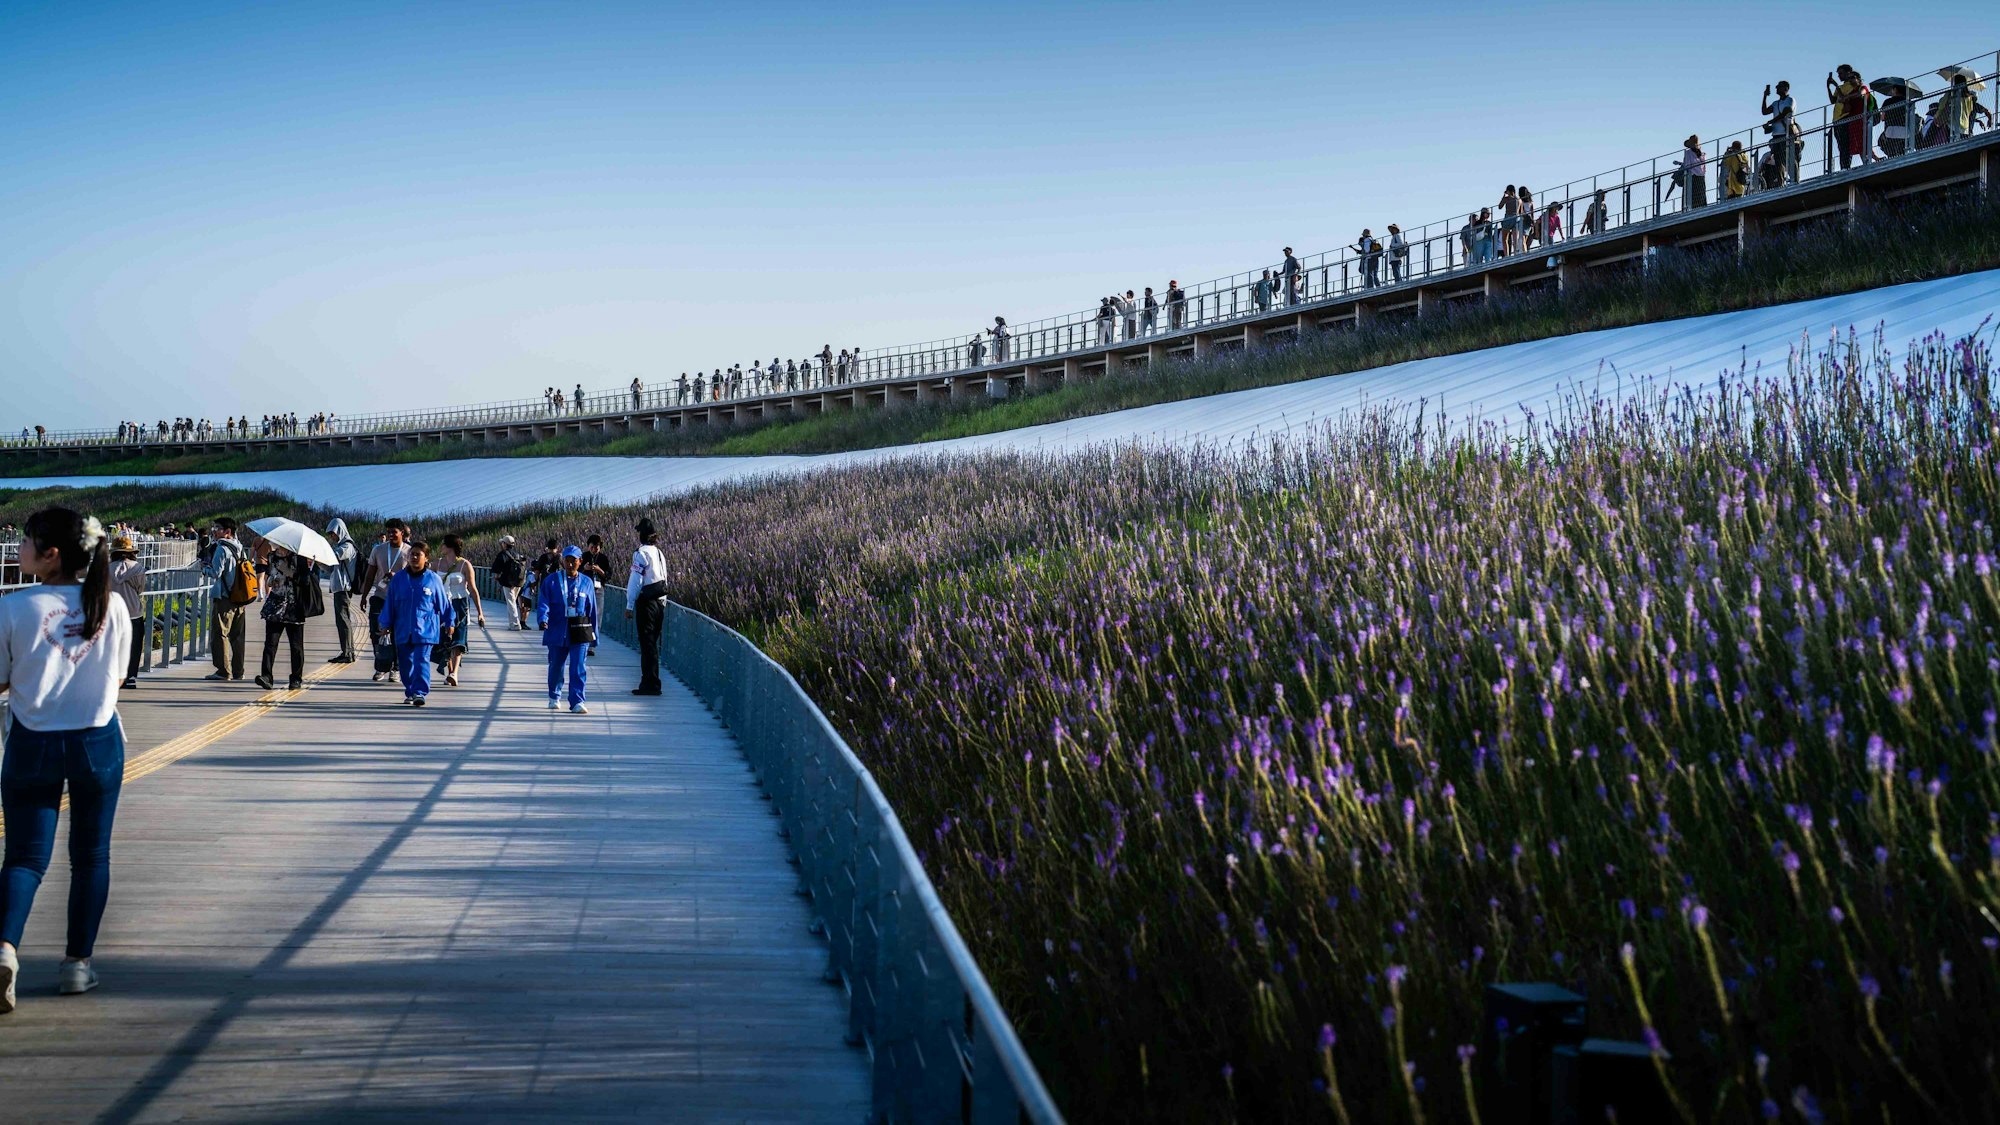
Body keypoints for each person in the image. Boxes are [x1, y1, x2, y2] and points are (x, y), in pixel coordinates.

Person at [0, 507, 131, 1008]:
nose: (19, 547)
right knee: (91, 856)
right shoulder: (112, 605)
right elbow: (117, 679)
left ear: (51, 554)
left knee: (25, 858)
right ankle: (77, 966)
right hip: (97, 742)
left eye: (27, 540)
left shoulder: (16, 607)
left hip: (32, 743)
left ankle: (6, 950)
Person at [377, 539, 451, 707]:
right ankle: (410, 690)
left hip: (426, 630)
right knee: (405, 664)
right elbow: (390, 603)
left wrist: (449, 622)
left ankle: (419, 692)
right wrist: (385, 624)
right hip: (403, 629)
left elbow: (444, 604)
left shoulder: (433, 580)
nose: (414, 557)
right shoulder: (399, 579)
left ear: (426, 558)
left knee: (421, 660)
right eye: (412, 554)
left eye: (418, 554)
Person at [538, 545, 596, 714]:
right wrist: (543, 618)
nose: (570, 565)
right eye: (567, 561)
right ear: (562, 561)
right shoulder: (552, 580)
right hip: (557, 628)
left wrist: (594, 636)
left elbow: (592, 610)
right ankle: (554, 696)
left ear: (580, 562)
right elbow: (543, 602)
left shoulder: (586, 582)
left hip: (580, 630)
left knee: (578, 666)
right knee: (556, 665)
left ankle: (577, 700)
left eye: (573, 561)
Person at [255, 543, 320, 691]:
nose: (276, 546)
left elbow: (306, 581)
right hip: (275, 606)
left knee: (296, 646)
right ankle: (266, 677)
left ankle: (296, 679)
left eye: (279, 545)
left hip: (294, 607)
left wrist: (290, 573)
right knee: (270, 643)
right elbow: (270, 577)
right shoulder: (272, 557)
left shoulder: (299, 559)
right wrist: (271, 581)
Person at [358, 518, 410, 685]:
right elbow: (370, 574)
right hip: (380, 597)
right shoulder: (378, 550)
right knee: (376, 632)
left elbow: (416, 576)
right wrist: (364, 595)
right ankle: (380, 665)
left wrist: (398, 576)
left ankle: (395, 668)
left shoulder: (409, 552)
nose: (390, 535)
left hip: (400, 600)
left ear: (402, 533)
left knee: (396, 634)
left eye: (394, 532)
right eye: (388, 532)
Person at [202, 517, 249, 682]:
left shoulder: (222, 549)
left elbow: (215, 573)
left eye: (218, 528)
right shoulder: (240, 547)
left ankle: (223, 671)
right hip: (240, 597)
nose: (214, 531)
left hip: (225, 598)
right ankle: (238, 671)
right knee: (237, 636)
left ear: (227, 532)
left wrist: (204, 568)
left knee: (220, 633)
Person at [625, 517, 668, 696]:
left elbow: (636, 579)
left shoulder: (640, 553)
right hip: (660, 603)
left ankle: (649, 684)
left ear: (641, 535)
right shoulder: (659, 553)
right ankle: (653, 681)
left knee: (647, 644)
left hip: (647, 604)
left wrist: (629, 604)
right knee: (653, 643)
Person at [433, 536, 484, 687]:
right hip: (442, 604)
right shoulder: (436, 563)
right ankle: (450, 671)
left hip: (459, 603)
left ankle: (454, 672)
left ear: (451, 547)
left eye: (444, 544)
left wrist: (480, 613)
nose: (441, 547)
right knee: (445, 638)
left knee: (458, 638)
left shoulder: (465, 565)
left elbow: (473, 589)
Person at [110, 536, 145, 690]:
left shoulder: (105, 568)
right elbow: (140, 589)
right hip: (133, 612)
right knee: (134, 645)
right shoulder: (137, 568)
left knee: (112, 646)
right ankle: (130, 677)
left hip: (111, 612)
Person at [324, 518, 359, 663]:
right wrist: (319, 562)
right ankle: (346, 651)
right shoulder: (341, 546)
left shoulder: (347, 546)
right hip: (339, 588)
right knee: (341, 620)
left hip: (344, 588)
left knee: (343, 620)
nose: (332, 537)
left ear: (340, 531)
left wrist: (321, 552)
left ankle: (348, 653)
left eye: (333, 534)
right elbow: (330, 567)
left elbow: (333, 557)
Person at [1827, 65, 1871, 168]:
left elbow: (1845, 98)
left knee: (1847, 145)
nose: (1839, 76)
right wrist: (1829, 87)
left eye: (1841, 73)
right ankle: (1844, 167)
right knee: (1841, 146)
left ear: (1849, 73)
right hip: (1837, 118)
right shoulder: (1842, 87)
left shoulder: (1853, 86)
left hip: (1846, 117)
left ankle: (1846, 167)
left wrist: (1836, 85)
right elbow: (1833, 101)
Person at [579, 534, 614, 656]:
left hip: (598, 590)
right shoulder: (583, 556)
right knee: (584, 615)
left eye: (596, 547)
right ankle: (583, 641)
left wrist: (599, 570)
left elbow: (609, 575)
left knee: (597, 617)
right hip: (584, 591)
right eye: (592, 547)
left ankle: (592, 646)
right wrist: (584, 568)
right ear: (588, 546)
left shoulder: (603, 558)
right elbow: (575, 573)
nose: (594, 550)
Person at [1763, 81, 1799, 183]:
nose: (1777, 89)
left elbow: (1785, 112)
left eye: (1779, 87)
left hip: (1786, 133)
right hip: (1776, 135)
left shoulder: (1790, 100)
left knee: (1790, 158)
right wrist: (1765, 96)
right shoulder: (1776, 103)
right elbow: (1764, 111)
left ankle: (1795, 180)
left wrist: (1771, 121)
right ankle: (1781, 182)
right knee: (1778, 161)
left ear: (1786, 88)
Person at [491, 535, 529, 628]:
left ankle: (515, 624)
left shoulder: (503, 554)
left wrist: (496, 577)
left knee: (511, 603)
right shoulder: (517, 554)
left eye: (502, 543)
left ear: (505, 544)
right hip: (518, 583)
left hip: (508, 583)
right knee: (512, 602)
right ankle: (512, 623)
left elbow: (496, 568)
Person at [1677, 135, 1707, 208]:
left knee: (1689, 196)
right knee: (1700, 197)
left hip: (1692, 177)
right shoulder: (1702, 154)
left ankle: (1687, 208)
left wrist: (1680, 164)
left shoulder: (1688, 153)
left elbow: (1687, 165)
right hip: (1701, 178)